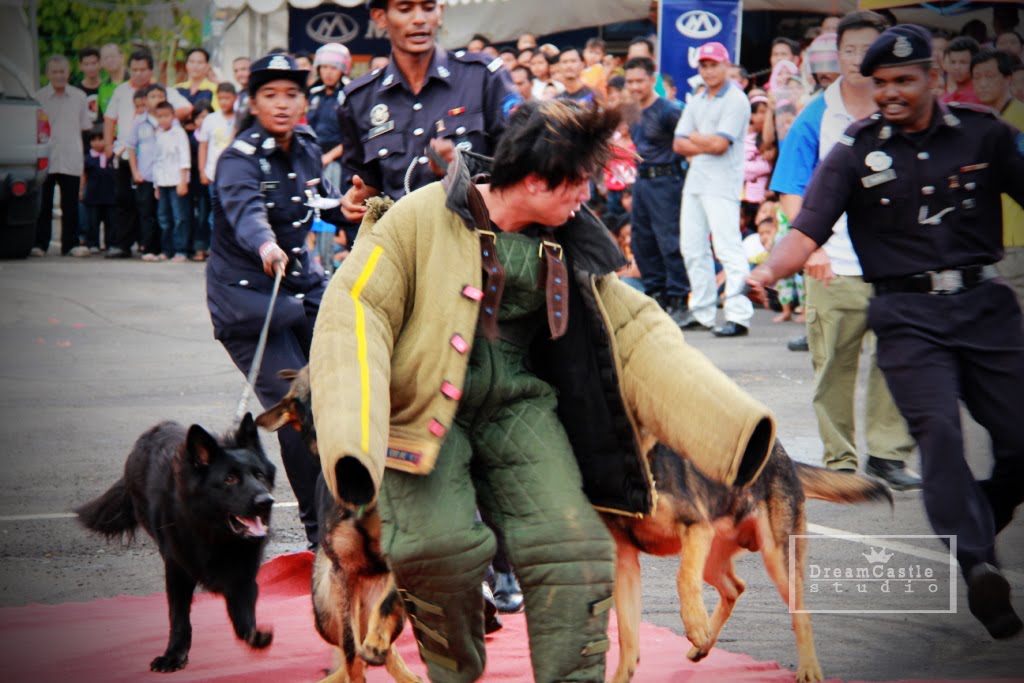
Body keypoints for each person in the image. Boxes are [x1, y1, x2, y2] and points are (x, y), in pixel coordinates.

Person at [308, 99, 776, 683]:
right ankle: (454, 671)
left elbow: (636, 332)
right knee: (437, 550)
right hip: (424, 410)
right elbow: (355, 312)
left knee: (573, 549)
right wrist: (352, 439)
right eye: (577, 183)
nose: (586, 196)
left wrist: (733, 432)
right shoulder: (418, 217)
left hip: (521, 407)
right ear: (534, 179)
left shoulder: (569, 237)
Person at [747, 24, 1024, 641]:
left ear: (933, 76)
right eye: (881, 83)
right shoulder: (855, 150)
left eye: (904, 79)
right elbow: (807, 227)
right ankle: (979, 563)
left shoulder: (984, 135)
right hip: (907, 317)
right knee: (940, 434)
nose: (891, 92)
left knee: (1019, 440)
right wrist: (767, 270)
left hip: (986, 308)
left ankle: (980, 513)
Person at [769, 10, 920, 489]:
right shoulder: (817, 113)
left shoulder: (906, 109)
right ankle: (839, 460)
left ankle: (888, 455)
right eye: (849, 50)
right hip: (834, 264)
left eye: (866, 49)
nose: (857, 59)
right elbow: (790, 187)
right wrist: (811, 248)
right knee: (833, 365)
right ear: (836, 55)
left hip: (898, 266)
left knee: (897, 360)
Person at [208, 53, 346, 549]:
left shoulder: (307, 145)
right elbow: (246, 212)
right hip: (251, 304)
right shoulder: (238, 159)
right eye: (270, 95)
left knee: (343, 395)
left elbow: (320, 199)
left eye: (291, 94)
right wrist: (266, 246)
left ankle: (350, 512)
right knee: (295, 411)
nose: (282, 104)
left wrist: (348, 205)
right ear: (253, 101)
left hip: (304, 290)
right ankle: (318, 534)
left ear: (304, 100)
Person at [336, 0, 515, 227]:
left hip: (477, 238)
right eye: (405, 9)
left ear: (440, 11)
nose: (419, 19)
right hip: (402, 241)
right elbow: (365, 182)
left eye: (428, 7)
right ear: (380, 17)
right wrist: (356, 199)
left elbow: (524, 166)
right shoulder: (359, 100)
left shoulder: (483, 77)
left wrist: (463, 168)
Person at [673, 42, 753, 337]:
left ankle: (738, 315)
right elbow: (677, 143)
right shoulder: (698, 98)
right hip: (696, 180)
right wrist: (703, 140)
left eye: (713, 65)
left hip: (722, 182)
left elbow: (720, 145)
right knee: (692, 248)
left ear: (726, 66)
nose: (708, 71)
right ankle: (702, 311)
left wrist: (695, 138)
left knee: (728, 247)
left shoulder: (736, 99)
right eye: (704, 66)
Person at [103, 49, 191, 259]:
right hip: (127, 154)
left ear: (151, 71)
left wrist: (163, 115)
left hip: (159, 165)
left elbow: (187, 108)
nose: (138, 73)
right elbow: (109, 118)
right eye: (134, 69)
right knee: (125, 201)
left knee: (158, 209)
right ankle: (123, 245)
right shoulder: (121, 91)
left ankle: (158, 247)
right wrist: (108, 145)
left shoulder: (164, 91)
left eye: (143, 69)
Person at [624, 56, 689, 322]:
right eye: (630, 81)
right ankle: (656, 294)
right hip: (642, 181)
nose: (634, 86)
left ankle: (679, 299)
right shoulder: (631, 110)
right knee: (641, 241)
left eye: (639, 81)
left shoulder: (669, 110)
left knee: (670, 241)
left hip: (667, 181)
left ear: (653, 80)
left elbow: (687, 145)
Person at [971, 48, 1024, 308]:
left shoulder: (1019, 120)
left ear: (1007, 79)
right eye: (977, 77)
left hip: (1017, 237)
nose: (982, 83)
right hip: (988, 237)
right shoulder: (978, 122)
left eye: (989, 76)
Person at [33, 55, 93, 257]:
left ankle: (71, 244)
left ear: (68, 73)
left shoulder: (79, 97)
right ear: (47, 74)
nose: (59, 75)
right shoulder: (39, 97)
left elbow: (85, 127)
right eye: (54, 72)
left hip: (71, 156)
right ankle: (40, 244)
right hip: (46, 157)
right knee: (44, 204)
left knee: (70, 204)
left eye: (62, 71)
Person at [127, 84, 170, 261]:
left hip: (165, 177)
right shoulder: (139, 122)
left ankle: (163, 248)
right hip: (145, 175)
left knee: (163, 213)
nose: (157, 100)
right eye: (153, 96)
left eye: (160, 96)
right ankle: (148, 249)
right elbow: (131, 148)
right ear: (146, 100)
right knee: (146, 213)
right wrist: (135, 171)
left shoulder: (169, 121)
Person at [196, 82, 239, 261]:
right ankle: (217, 250)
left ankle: (234, 251)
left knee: (235, 214)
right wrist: (202, 171)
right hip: (214, 174)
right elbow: (203, 146)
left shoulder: (241, 118)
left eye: (227, 98)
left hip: (236, 176)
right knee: (215, 215)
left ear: (235, 98)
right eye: (220, 98)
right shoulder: (211, 120)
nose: (224, 102)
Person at [306, 42, 352, 188]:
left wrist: (329, 157)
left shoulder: (349, 95)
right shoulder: (313, 95)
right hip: (313, 159)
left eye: (333, 68)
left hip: (339, 163)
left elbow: (353, 137)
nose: (328, 72)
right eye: (324, 67)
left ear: (342, 70)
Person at [151, 100, 191, 262]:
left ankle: (181, 250)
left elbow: (184, 158)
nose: (163, 119)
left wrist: (183, 181)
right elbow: (156, 161)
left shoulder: (179, 133)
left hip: (176, 181)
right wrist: (156, 185)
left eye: (166, 116)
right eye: (159, 116)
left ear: (173, 116)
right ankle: (166, 250)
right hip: (162, 182)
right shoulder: (158, 134)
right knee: (163, 218)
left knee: (179, 217)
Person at [81, 128, 116, 252]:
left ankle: (110, 243)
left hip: (111, 195)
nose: (97, 143)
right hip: (93, 195)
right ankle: (93, 243)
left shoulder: (112, 156)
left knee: (111, 221)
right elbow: (83, 175)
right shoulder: (88, 158)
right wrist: (81, 190)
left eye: (101, 139)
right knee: (92, 222)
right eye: (93, 140)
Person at [175, 47, 218, 112]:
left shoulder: (214, 89)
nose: (195, 66)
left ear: (207, 66)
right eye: (191, 62)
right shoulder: (177, 89)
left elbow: (216, 114)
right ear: (186, 64)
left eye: (200, 62)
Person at [941, 36, 981, 104]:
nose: (956, 67)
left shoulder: (981, 96)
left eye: (963, 62)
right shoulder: (945, 98)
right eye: (953, 62)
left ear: (976, 63)